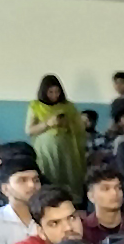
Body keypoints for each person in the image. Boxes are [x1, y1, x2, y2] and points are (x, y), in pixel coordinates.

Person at [25, 74, 85, 202]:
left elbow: (79, 127)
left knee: (68, 177)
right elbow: (29, 130)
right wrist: (48, 124)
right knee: (49, 175)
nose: (54, 95)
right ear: (44, 92)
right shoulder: (36, 106)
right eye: (50, 92)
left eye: (57, 92)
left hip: (67, 151)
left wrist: (66, 124)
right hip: (46, 151)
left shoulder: (68, 106)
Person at [81, 166, 124, 244]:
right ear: (91, 196)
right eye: (106, 189)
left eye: (118, 188)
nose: (114, 193)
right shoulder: (83, 232)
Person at [0, 157, 41, 244]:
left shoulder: (50, 215)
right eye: (22, 180)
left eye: (36, 180)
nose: (32, 185)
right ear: (5, 189)